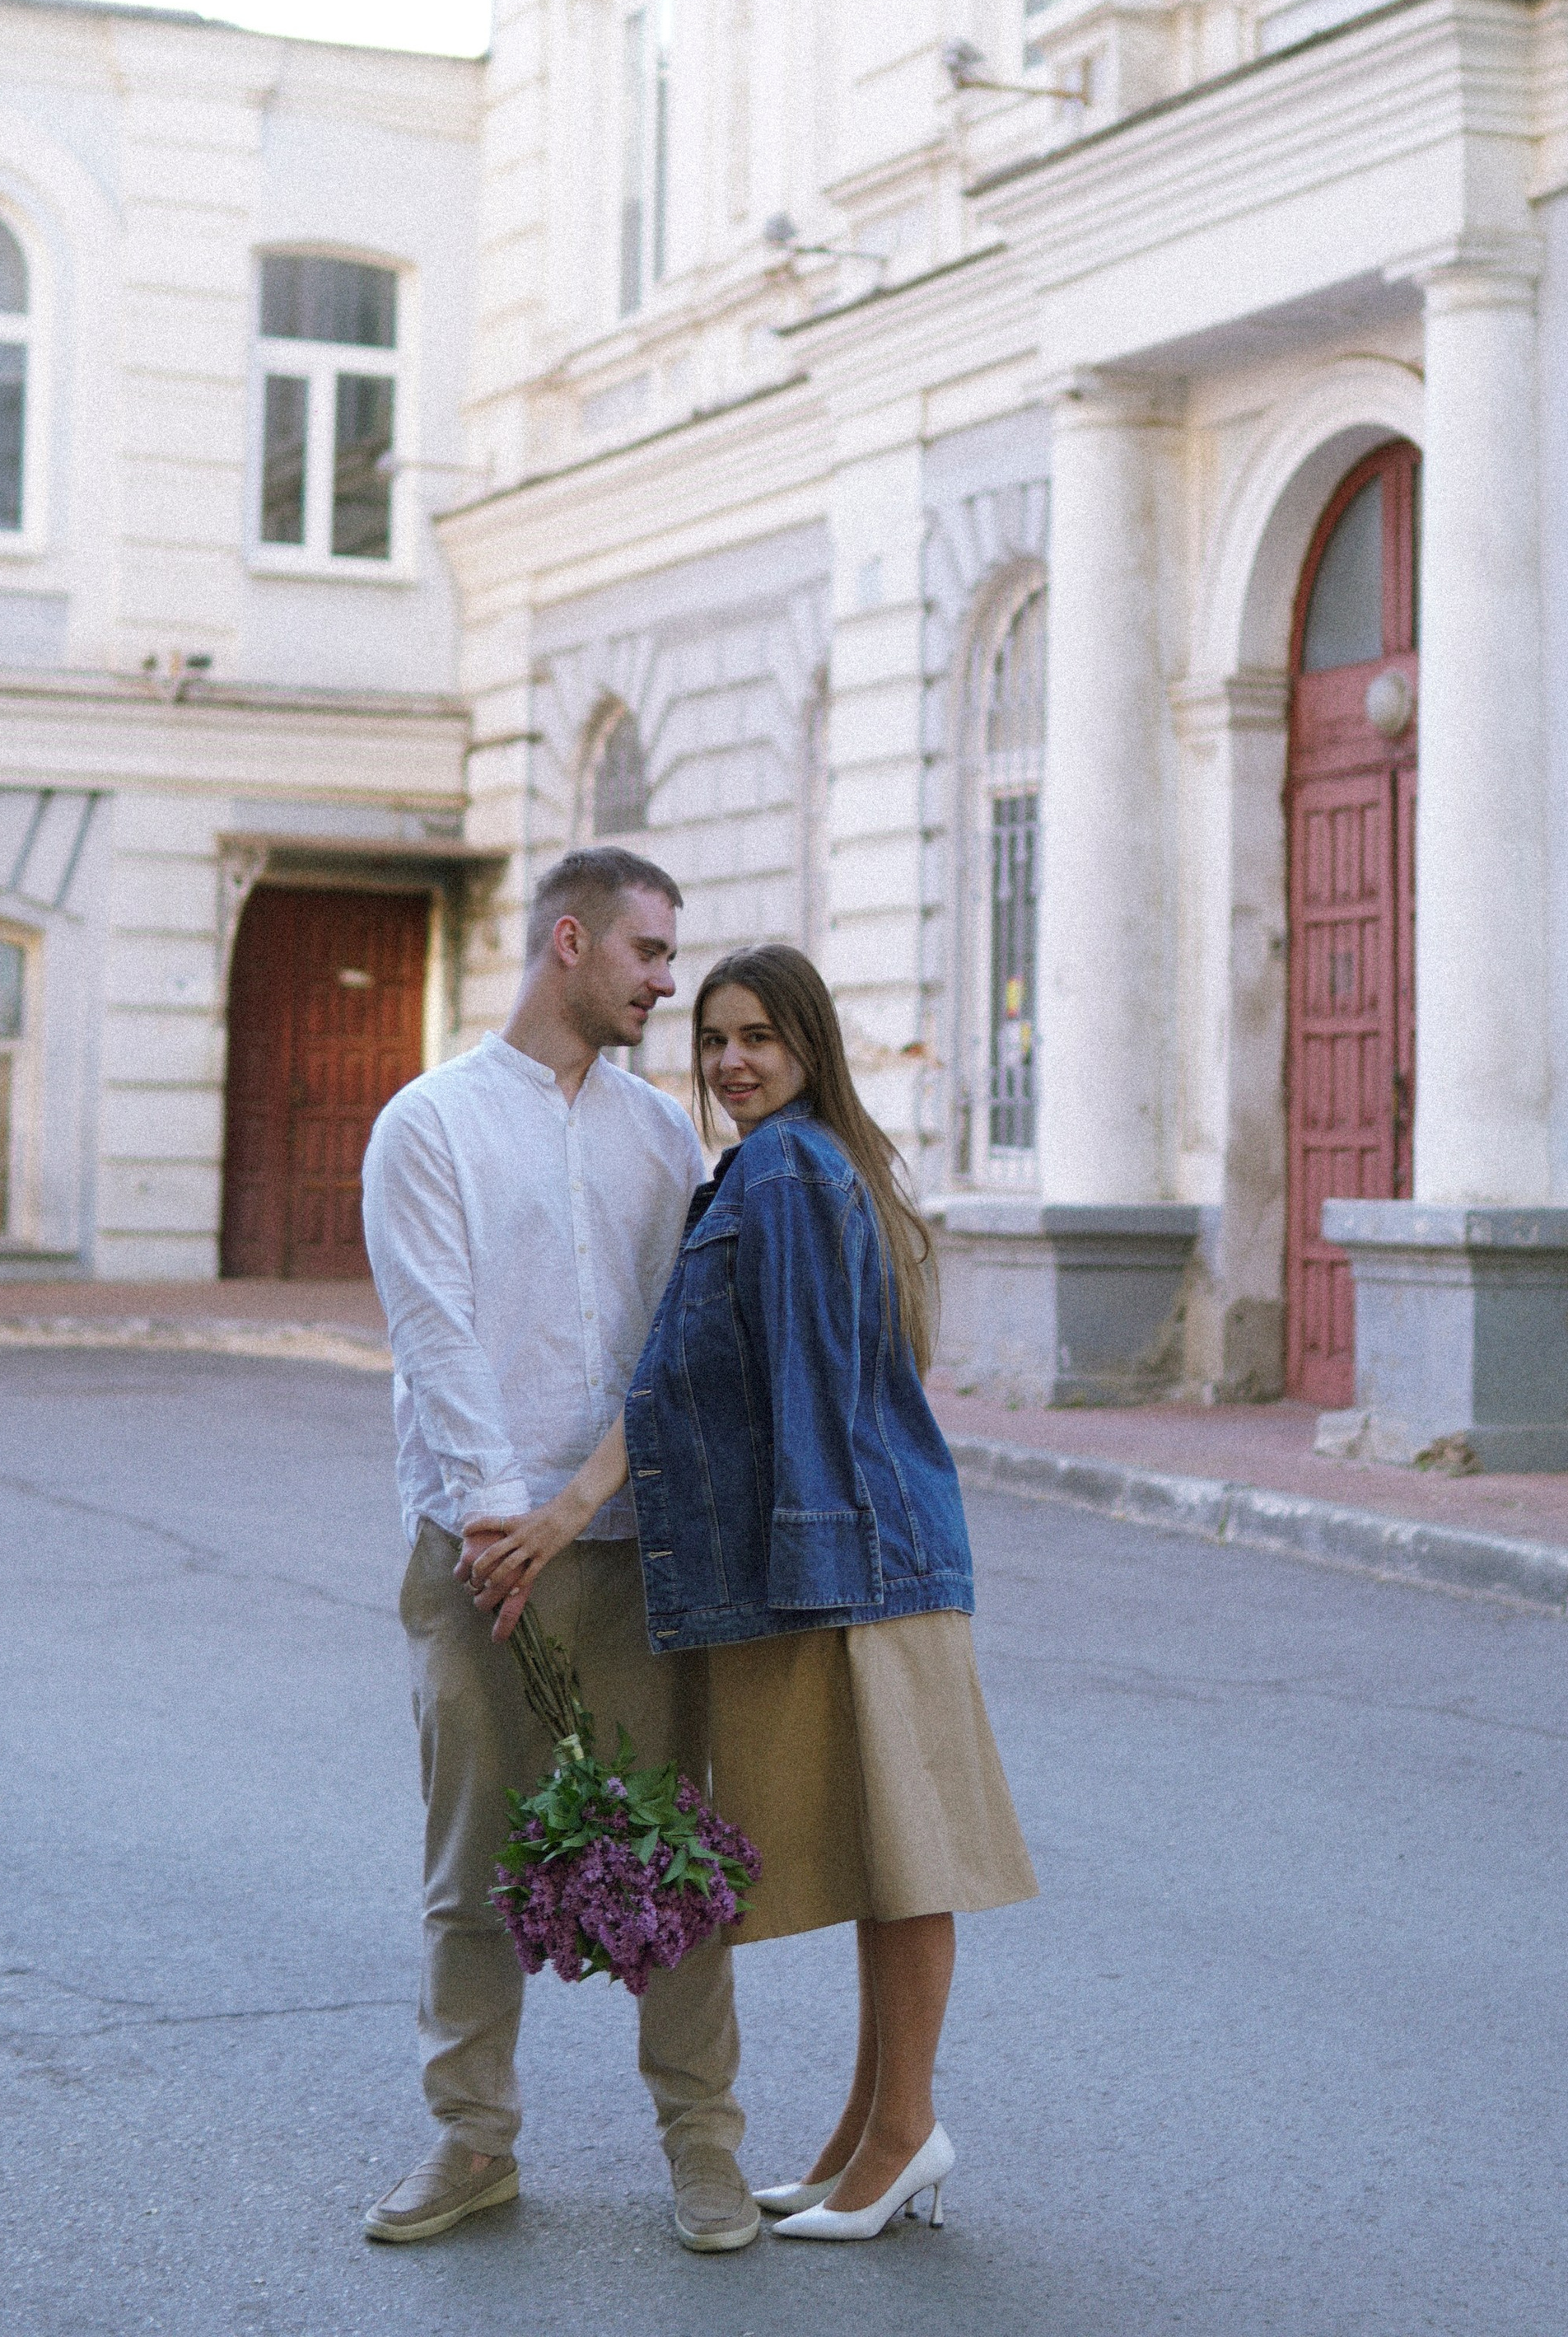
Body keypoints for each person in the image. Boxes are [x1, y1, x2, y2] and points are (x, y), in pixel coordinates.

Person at [462, 941, 1036, 2246]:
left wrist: (581, 1515)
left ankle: (901, 2132)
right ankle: (867, 2134)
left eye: (758, 1037)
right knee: (888, 1858)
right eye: (714, 1038)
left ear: (808, 1045)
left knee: (906, 1863)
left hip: (856, 1565)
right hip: (876, 1552)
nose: (730, 1062)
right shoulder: (804, 1162)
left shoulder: (782, 1172)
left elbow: (786, 1387)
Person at [357, 846, 758, 2257]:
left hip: (639, 1553)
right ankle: (473, 2139)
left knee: (675, 1859)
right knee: (473, 1863)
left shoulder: (662, 1138)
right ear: (570, 943)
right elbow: (437, 1337)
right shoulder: (431, 1125)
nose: (668, 984)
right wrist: (495, 1525)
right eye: (651, 954)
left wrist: (596, 1512)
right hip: (479, 1559)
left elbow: (681, 1345)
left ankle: (704, 2147)